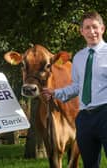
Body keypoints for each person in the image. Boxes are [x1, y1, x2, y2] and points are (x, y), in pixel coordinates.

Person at [42, 11, 107, 168]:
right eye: (87, 28)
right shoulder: (78, 57)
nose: (92, 32)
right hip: (84, 117)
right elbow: (77, 86)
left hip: (105, 113)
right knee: (89, 164)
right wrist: (55, 93)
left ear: (103, 29)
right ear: (81, 31)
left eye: (95, 27)